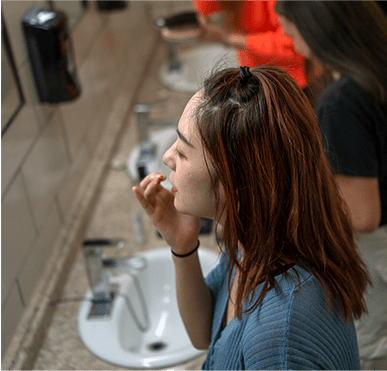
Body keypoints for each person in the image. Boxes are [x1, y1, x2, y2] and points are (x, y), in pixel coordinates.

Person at [133, 65, 370, 370]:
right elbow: (206, 334)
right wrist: (183, 245)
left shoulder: (278, 338)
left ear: (234, 180)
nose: (167, 157)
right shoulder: (255, 242)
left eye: (182, 151)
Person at [275, 1, 387, 369]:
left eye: (291, 33)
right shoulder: (376, 66)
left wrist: (291, 199)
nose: (292, 43)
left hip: (377, 252)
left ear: (319, 30)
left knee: (372, 349)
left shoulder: (342, 102)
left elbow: (363, 215)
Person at [191, 0, 307, 89]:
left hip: (292, 83)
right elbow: (206, 9)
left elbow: (293, 47)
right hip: (255, 79)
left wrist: (229, 39)